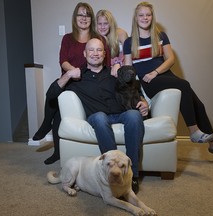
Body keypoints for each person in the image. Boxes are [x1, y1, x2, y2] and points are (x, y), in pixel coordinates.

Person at [123, 1, 213, 166]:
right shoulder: (130, 42)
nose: (145, 18)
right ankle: (194, 131)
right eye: (141, 15)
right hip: (147, 81)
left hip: (163, 75)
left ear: (152, 17)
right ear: (135, 18)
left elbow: (171, 59)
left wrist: (156, 72)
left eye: (148, 14)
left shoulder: (161, 36)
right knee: (185, 85)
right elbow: (129, 69)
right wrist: (139, 86)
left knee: (199, 105)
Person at [46, 38, 149, 193]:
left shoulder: (114, 72)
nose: (95, 53)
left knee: (134, 115)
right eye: (91, 50)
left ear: (104, 53)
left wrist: (143, 102)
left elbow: (135, 90)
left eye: (99, 50)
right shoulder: (77, 77)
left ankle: (132, 175)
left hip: (120, 114)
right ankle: (111, 172)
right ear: (85, 53)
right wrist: (68, 75)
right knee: (100, 116)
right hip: (97, 117)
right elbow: (51, 94)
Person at [32, 2, 111, 165]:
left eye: (87, 15)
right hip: (70, 78)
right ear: (75, 18)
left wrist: (84, 74)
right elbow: (63, 61)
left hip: (87, 81)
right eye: (80, 14)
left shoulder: (99, 39)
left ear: (91, 18)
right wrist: (72, 72)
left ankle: (52, 137)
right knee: (56, 101)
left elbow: (106, 62)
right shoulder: (68, 38)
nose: (84, 18)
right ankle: (51, 136)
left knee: (61, 115)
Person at [96, 9, 128, 77]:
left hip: (122, 71)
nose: (102, 27)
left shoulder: (121, 34)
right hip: (104, 74)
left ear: (110, 24)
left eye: (105, 23)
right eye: (99, 24)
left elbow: (128, 57)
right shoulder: (95, 39)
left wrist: (118, 64)